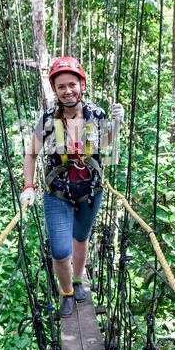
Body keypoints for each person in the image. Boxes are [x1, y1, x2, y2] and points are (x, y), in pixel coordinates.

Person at [20, 56, 124, 317]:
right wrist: (28, 186)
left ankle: (78, 281)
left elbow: (106, 144)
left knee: (80, 238)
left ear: (82, 85)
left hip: (90, 191)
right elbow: (30, 153)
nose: (67, 91)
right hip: (57, 192)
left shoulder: (96, 113)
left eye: (72, 85)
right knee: (60, 250)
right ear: (55, 90)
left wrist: (116, 125)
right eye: (61, 86)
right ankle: (66, 292)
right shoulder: (47, 118)